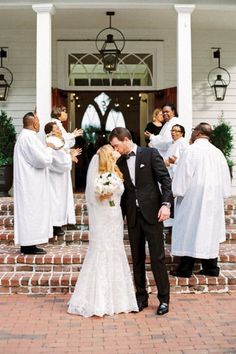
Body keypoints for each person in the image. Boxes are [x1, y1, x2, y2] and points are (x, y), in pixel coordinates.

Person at [68, 144, 139, 317]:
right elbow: (97, 196)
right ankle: (98, 300)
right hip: (104, 217)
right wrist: (106, 193)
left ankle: (117, 298)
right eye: (113, 149)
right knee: (101, 250)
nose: (117, 150)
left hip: (115, 218)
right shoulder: (103, 176)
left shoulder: (114, 172)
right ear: (109, 155)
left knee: (115, 251)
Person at [109, 127, 173, 316]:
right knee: (137, 259)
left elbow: (165, 180)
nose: (115, 149)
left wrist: (166, 204)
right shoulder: (118, 162)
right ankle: (141, 296)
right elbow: (122, 193)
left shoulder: (150, 153)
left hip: (153, 214)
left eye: (116, 145)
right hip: (133, 216)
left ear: (126, 139)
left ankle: (164, 299)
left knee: (157, 258)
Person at [170, 123, 231, 278]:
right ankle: (210, 267)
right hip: (213, 199)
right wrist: (222, 193)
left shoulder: (190, 151)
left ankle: (185, 269)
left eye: (193, 130)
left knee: (190, 228)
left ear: (197, 133)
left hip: (193, 198)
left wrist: (176, 191)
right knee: (208, 230)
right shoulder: (218, 153)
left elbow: (183, 175)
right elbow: (225, 180)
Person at [14, 112, 54, 255]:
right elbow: (42, 160)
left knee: (32, 211)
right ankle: (28, 245)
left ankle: (30, 244)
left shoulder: (27, 137)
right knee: (31, 211)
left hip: (31, 182)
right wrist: (49, 148)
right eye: (37, 120)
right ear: (33, 123)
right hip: (30, 183)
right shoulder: (28, 138)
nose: (39, 124)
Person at [44, 122, 82, 237]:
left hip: (61, 176)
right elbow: (59, 159)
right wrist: (70, 157)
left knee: (62, 199)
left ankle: (60, 222)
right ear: (50, 131)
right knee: (56, 199)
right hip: (55, 177)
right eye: (57, 128)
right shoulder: (51, 141)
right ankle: (55, 226)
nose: (60, 130)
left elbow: (62, 151)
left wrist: (70, 153)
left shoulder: (56, 140)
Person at [51, 105, 83, 232]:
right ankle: (56, 223)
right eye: (64, 111)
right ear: (59, 112)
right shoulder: (54, 123)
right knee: (58, 195)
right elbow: (58, 142)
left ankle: (63, 220)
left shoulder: (58, 124)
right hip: (57, 167)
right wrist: (72, 136)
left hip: (62, 164)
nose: (67, 114)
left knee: (63, 195)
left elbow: (64, 143)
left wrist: (70, 151)